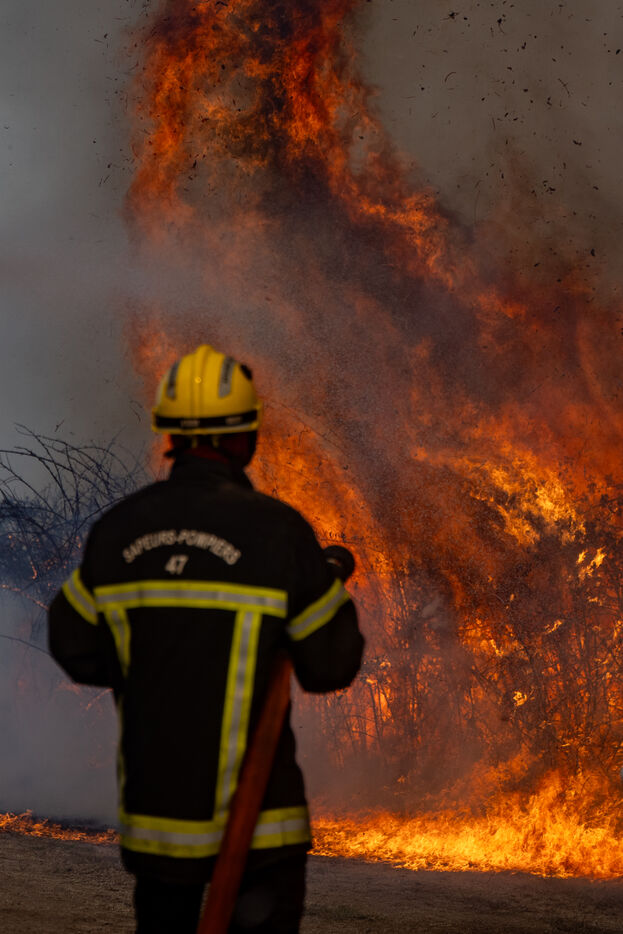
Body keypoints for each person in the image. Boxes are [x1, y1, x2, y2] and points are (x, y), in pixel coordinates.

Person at [48, 344, 364, 933]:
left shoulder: (118, 532)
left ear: (169, 434)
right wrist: (322, 589)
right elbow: (331, 666)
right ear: (244, 436)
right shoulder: (277, 533)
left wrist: (155, 664)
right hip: (260, 834)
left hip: (158, 829)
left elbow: (74, 647)